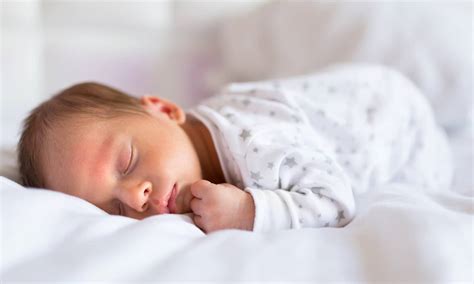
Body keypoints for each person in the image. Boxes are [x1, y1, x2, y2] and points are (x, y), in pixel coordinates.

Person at [18, 64, 453, 233]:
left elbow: (337, 205)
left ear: (166, 109)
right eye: (113, 209)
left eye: (127, 162)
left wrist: (251, 211)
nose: (135, 197)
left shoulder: (258, 147)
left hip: (398, 123)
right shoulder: (188, 155)